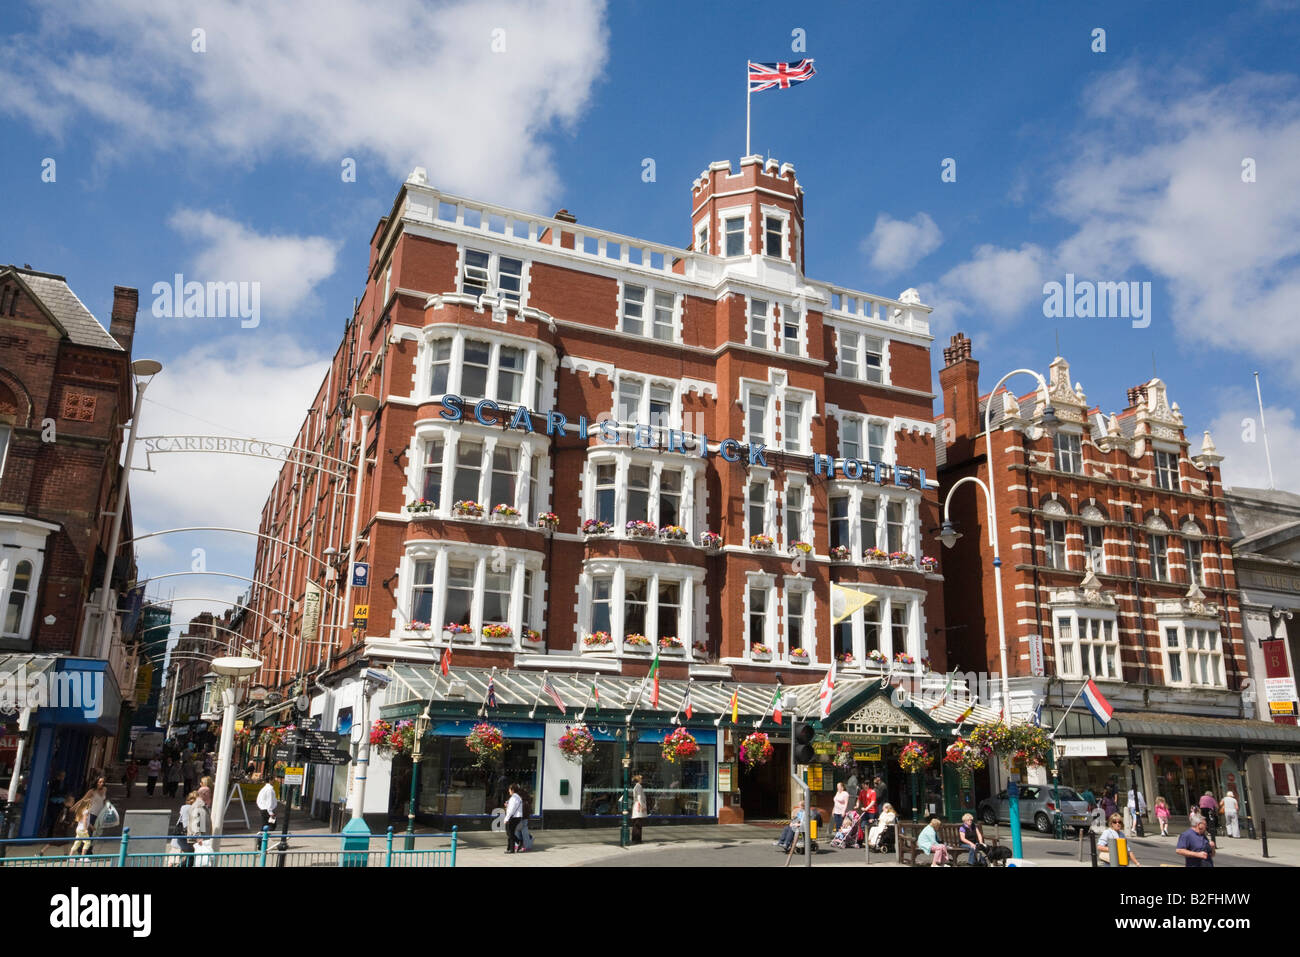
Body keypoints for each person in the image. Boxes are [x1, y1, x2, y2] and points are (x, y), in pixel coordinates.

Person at [256, 771, 281, 843]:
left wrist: (261, 807)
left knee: (265, 826)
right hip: (267, 810)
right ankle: (261, 841)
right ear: (270, 780)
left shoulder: (264, 789)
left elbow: (258, 800)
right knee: (271, 826)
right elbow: (269, 801)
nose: (274, 781)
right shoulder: (269, 789)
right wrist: (270, 812)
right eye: (273, 779)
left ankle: (261, 841)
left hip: (263, 809)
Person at [177, 792, 198, 867]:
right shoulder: (187, 808)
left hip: (188, 838)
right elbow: (186, 825)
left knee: (190, 859)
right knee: (190, 859)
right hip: (186, 838)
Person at [503, 783, 524, 854]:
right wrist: (507, 804)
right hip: (517, 817)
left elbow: (511, 810)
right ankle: (510, 848)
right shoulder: (518, 797)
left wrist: (506, 819)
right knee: (510, 833)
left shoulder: (513, 798)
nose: (508, 791)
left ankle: (518, 843)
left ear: (512, 790)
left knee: (509, 833)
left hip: (513, 817)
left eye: (509, 789)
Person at [630, 775, 648, 844]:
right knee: (638, 823)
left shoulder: (636, 786)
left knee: (635, 823)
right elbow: (639, 797)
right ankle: (638, 839)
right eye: (641, 779)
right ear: (639, 780)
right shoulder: (639, 786)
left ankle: (634, 838)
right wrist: (642, 806)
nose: (642, 780)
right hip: (638, 806)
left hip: (636, 805)